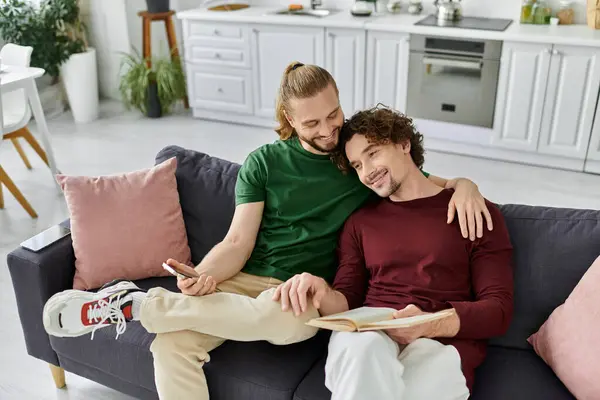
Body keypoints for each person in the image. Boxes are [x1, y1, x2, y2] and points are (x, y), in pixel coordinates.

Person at [42, 63, 494, 400]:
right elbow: (238, 241)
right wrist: (205, 276)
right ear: (290, 120)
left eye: (333, 114)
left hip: (299, 292)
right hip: (245, 278)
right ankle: (144, 308)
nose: (328, 130)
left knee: (288, 326)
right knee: (171, 346)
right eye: (312, 123)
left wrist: (466, 185)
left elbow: (414, 178)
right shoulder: (263, 163)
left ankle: (138, 306)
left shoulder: (356, 159)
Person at [273, 105, 514, 400]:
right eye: (357, 165)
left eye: (373, 153)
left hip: (441, 341)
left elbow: (498, 310)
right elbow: (347, 299)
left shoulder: (472, 211)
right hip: (370, 329)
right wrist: (321, 291)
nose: (368, 172)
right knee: (364, 350)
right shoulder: (359, 223)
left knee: (418, 381)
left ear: (403, 143)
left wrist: (427, 324)